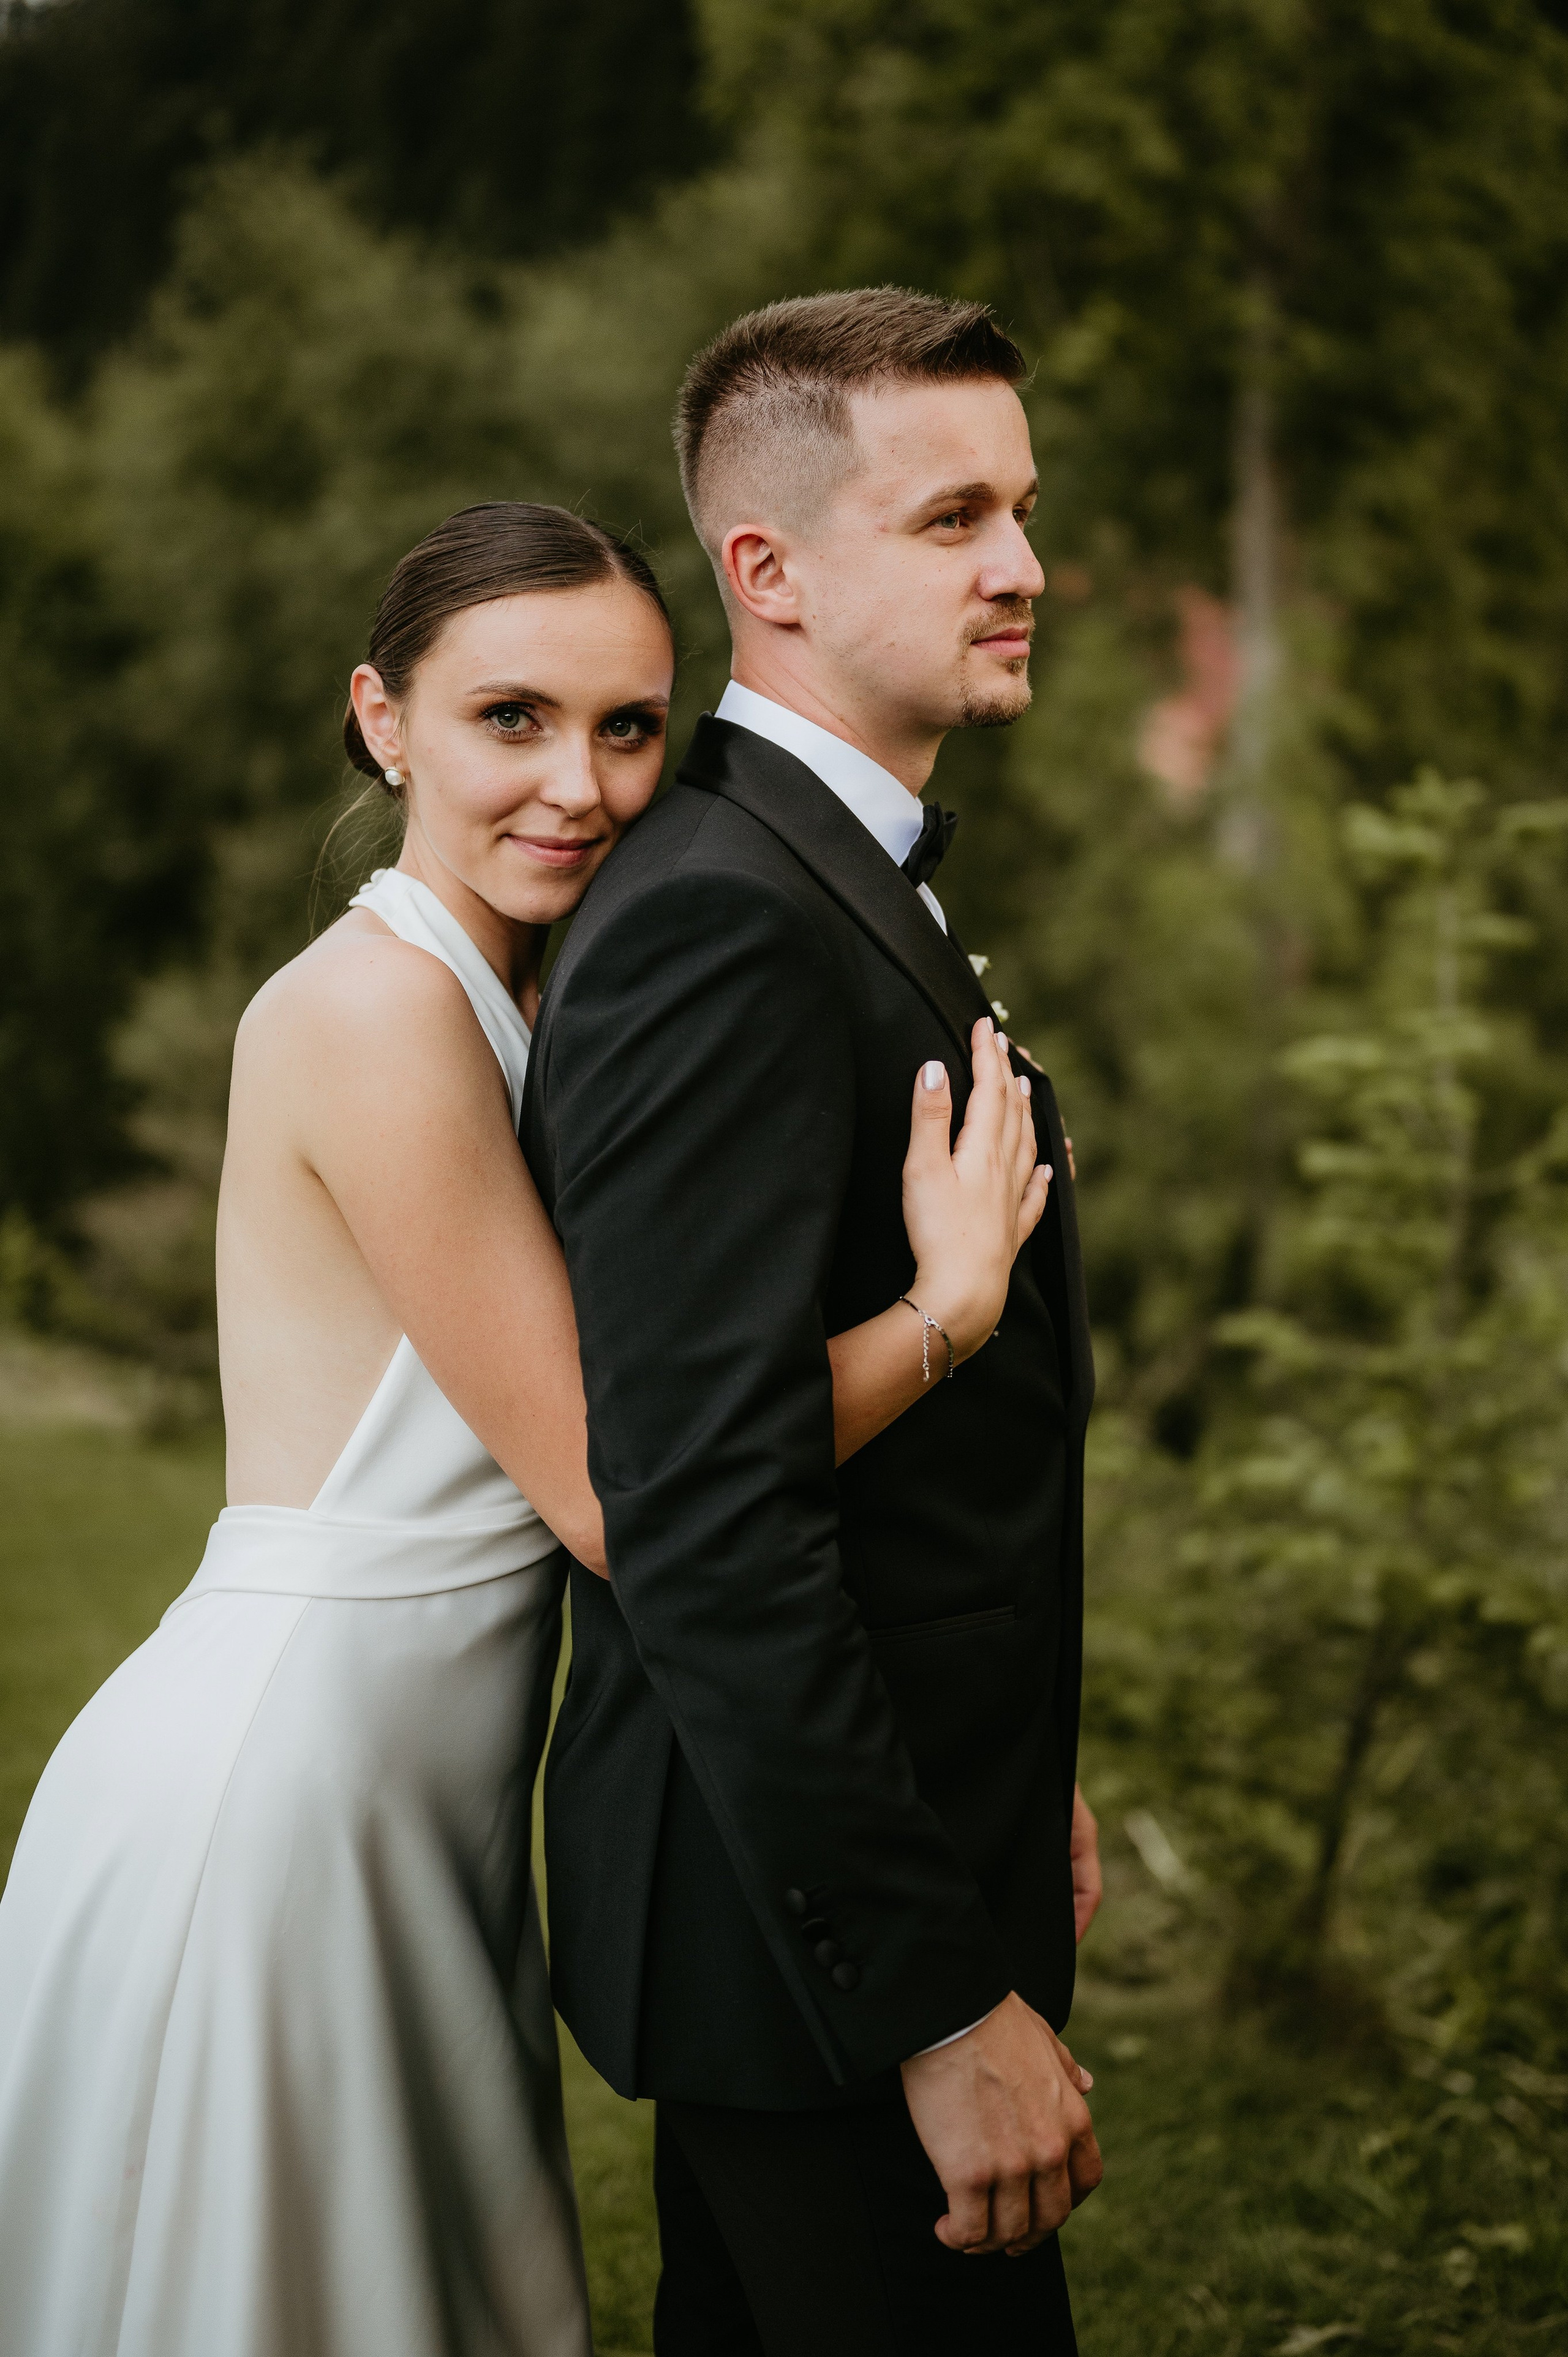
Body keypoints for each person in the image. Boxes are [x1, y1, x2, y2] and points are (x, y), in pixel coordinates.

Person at [0, 499, 1052, 2357]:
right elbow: (620, 1494)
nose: (580, 785)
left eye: (628, 727)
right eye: (511, 719)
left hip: (426, 1785)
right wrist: (944, 1315)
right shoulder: (373, 1014)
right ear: (382, 719)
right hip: (291, 1787)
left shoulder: (529, 990)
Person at [524, 290, 1102, 2357]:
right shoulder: (719, 916)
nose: (1024, 566)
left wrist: (1017, 1769)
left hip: (866, 1859)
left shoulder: (812, 869)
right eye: (954, 519)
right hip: (815, 1960)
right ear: (765, 573)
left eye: (1021, 509)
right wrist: (935, 1998)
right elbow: (707, 1519)